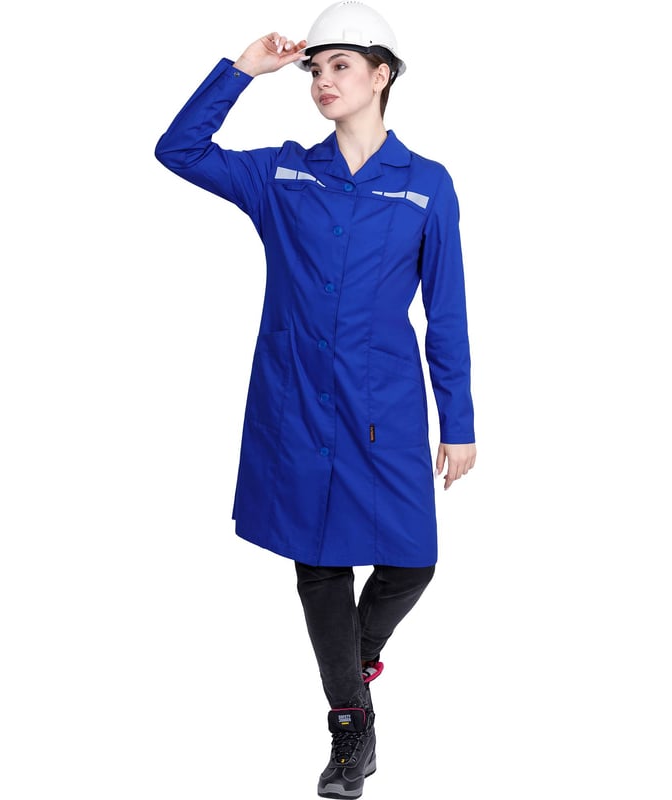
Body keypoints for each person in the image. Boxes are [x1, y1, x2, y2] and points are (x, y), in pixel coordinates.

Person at [155, 2, 476, 797]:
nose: (323, 81)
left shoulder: (426, 185)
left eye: (340, 66)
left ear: (381, 75)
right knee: (320, 566)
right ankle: (350, 732)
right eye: (314, 69)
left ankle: (350, 666)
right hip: (296, 402)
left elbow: (447, 314)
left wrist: (459, 422)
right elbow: (178, 149)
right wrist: (243, 70)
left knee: (413, 560)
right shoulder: (283, 176)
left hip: (385, 406)